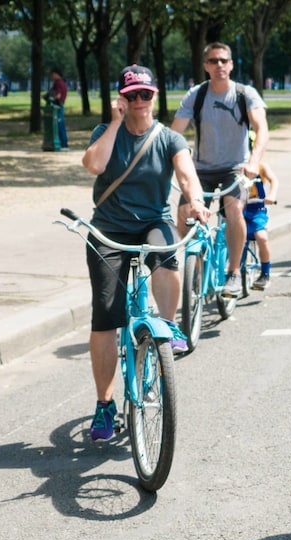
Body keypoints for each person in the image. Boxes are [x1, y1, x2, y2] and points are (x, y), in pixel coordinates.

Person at [81, 65, 210, 442]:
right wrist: (113, 122)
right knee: (106, 316)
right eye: (131, 95)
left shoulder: (168, 138)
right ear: (122, 98)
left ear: (155, 96)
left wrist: (197, 202)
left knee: (168, 249)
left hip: (151, 220)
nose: (139, 102)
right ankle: (105, 404)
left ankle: (167, 326)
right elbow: (95, 165)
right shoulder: (106, 133)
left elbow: (187, 175)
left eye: (145, 94)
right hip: (109, 228)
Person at [171, 42, 270, 298]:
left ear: (231, 64)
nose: (219, 66)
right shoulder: (196, 95)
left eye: (223, 61)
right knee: (183, 213)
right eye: (213, 61)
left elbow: (261, 129)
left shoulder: (244, 94)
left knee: (234, 208)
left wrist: (253, 162)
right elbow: (174, 135)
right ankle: (198, 263)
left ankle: (234, 273)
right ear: (205, 66)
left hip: (237, 168)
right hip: (201, 169)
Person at [244, 137, 279, 290]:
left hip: (258, 209)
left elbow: (274, 180)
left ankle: (265, 274)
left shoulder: (261, 167)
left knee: (261, 237)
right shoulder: (233, 168)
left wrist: (271, 195)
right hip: (239, 209)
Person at [46, 67, 69, 150]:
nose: (51, 77)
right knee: (60, 125)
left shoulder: (58, 83)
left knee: (59, 125)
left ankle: (63, 144)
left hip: (58, 106)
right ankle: (63, 143)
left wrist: (51, 98)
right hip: (61, 105)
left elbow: (58, 95)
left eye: (52, 75)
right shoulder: (62, 82)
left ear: (56, 74)